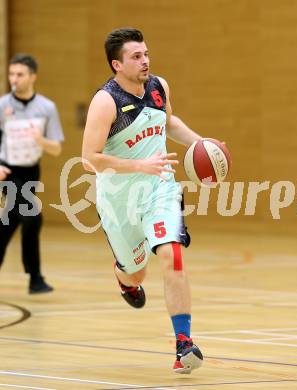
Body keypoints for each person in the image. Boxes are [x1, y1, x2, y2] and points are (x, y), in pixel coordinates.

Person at [82, 28, 203, 374]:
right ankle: (124, 278)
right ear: (117, 64)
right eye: (136, 56)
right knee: (137, 274)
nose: (145, 60)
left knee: (172, 255)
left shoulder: (158, 87)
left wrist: (200, 143)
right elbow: (89, 157)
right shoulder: (106, 101)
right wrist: (138, 165)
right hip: (119, 200)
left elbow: (167, 123)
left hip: (159, 190)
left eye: (146, 53)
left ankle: (183, 344)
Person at [0, 54, 64, 294]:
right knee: (32, 215)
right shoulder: (2, 105)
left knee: (10, 221)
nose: (14, 79)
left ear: (32, 77)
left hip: (30, 171)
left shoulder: (46, 108)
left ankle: (35, 279)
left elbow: (56, 148)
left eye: (20, 74)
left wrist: (41, 140)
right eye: (11, 74)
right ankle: (35, 278)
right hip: (7, 172)